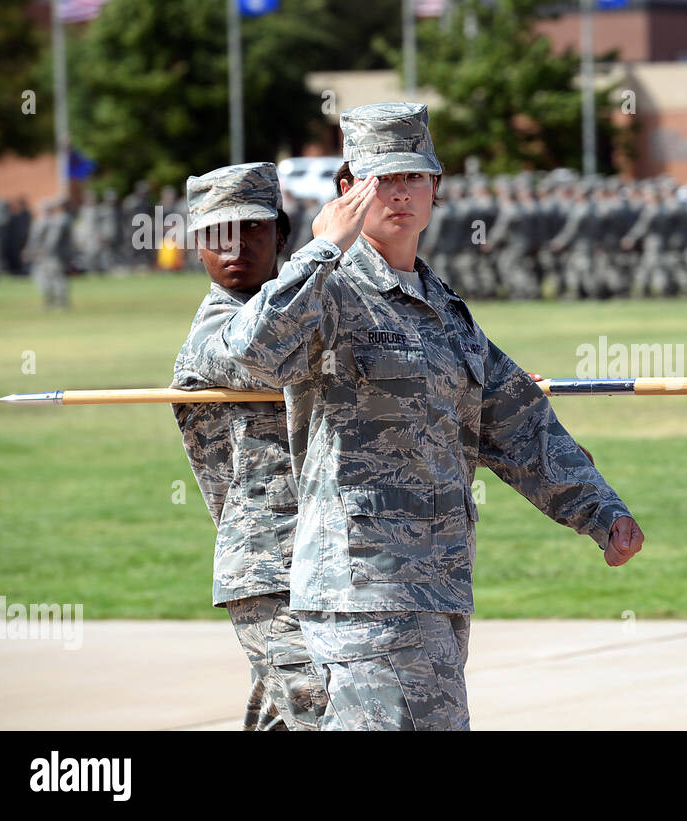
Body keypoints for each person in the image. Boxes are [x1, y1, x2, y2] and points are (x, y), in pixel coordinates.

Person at [193, 103, 645, 731]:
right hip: (362, 588)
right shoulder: (325, 287)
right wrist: (321, 249)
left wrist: (598, 510)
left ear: (435, 189)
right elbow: (250, 352)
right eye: (381, 179)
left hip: (436, 584)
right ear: (347, 190)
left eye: (413, 178)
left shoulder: (441, 306)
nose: (399, 194)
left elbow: (514, 418)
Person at [172, 162, 327, 730]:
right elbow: (260, 352)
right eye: (216, 234)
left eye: (252, 229)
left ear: (281, 235)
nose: (233, 247)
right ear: (198, 247)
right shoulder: (217, 330)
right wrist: (326, 252)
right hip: (271, 564)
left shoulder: (315, 310)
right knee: (320, 712)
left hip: (338, 554)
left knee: (283, 719)